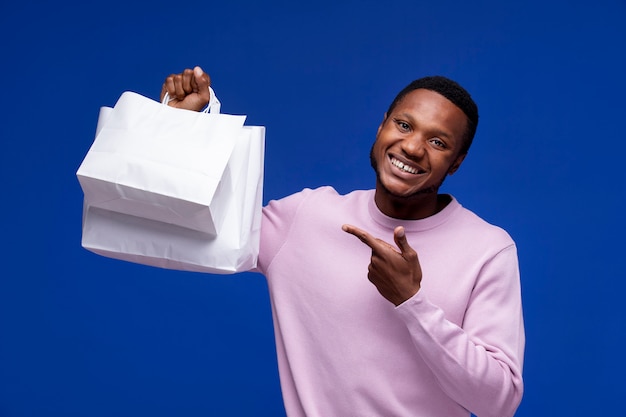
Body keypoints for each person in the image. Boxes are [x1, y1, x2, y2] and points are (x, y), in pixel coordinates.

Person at [161, 67, 525, 417]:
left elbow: (499, 402)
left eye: (437, 141)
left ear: (457, 162)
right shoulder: (305, 218)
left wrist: (413, 303)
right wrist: (180, 129)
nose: (413, 147)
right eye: (403, 125)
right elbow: (180, 230)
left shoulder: (487, 249)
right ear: (382, 125)